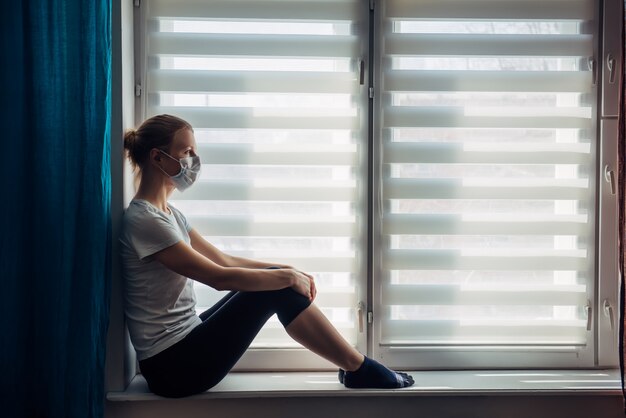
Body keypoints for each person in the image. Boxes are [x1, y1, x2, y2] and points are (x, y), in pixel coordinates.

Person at [120, 114, 414, 398]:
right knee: (275, 288)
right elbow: (217, 277)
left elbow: (225, 260)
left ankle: (355, 366)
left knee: (277, 280)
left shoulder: (170, 214)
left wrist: (287, 269)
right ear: (158, 158)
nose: (193, 161)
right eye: (186, 152)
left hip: (183, 348)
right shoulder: (145, 220)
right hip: (172, 369)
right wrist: (285, 278)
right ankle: (359, 367)